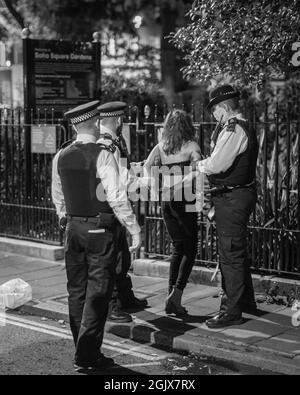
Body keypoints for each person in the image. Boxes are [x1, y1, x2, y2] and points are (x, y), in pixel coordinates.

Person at [51, 101, 142, 373]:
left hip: (73, 230)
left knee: (76, 291)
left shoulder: (62, 155)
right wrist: (134, 227)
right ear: (94, 123)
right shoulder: (102, 154)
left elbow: (57, 193)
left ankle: (85, 348)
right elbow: (115, 196)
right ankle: (88, 354)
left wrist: (64, 216)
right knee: (99, 293)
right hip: (100, 230)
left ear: (75, 125)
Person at [193, 85, 258, 329]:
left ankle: (231, 312)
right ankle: (246, 302)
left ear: (224, 108)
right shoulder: (240, 126)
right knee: (236, 250)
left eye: (215, 109)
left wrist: (198, 166)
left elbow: (218, 164)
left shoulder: (233, 129)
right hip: (236, 195)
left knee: (230, 254)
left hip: (232, 198)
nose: (213, 115)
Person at [144, 109, 202, 316]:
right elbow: (199, 169)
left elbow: (148, 166)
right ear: (187, 125)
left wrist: (154, 189)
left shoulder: (161, 147)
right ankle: (176, 294)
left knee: (178, 248)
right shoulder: (192, 146)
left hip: (166, 200)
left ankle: (172, 297)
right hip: (185, 200)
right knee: (191, 248)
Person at [97, 101, 148, 324]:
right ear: (118, 120)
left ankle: (125, 297)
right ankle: (113, 304)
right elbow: (121, 180)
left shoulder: (114, 142)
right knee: (115, 259)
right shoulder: (109, 144)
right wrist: (144, 181)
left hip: (113, 204)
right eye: (122, 119)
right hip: (110, 206)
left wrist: (136, 170)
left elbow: (123, 170)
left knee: (122, 255)